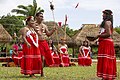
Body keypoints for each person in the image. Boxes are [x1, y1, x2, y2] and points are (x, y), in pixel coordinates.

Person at [96, 10, 117, 80]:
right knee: (105, 59)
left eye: (104, 14)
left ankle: (106, 76)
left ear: (107, 15)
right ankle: (105, 76)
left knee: (106, 59)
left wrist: (98, 36)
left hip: (106, 43)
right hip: (105, 42)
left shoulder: (107, 22)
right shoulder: (107, 23)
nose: (102, 15)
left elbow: (108, 34)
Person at [35, 12, 56, 76]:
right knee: (40, 58)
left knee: (45, 57)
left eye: (42, 16)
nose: (42, 18)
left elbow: (48, 34)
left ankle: (42, 71)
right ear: (36, 17)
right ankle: (41, 72)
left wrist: (53, 30)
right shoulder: (34, 25)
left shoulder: (44, 26)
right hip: (37, 42)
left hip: (44, 42)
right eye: (40, 16)